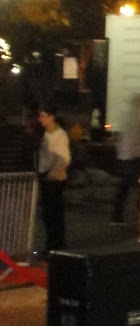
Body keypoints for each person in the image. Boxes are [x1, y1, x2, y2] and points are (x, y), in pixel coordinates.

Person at [36, 106, 71, 253]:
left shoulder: (59, 134)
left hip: (54, 179)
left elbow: (65, 158)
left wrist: (51, 174)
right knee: (50, 214)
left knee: (52, 213)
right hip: (48, 177)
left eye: (44, 116)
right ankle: (54, 243)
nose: (41, 119)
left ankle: (54, 244)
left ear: (52, 117)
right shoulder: (48, 133)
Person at [111, 94, 140, 225]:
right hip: (132, 157)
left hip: (125, 156)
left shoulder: (127, 115)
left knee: (124, 187)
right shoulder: (134, 116)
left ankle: (117, 216)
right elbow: (136, 139)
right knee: (139, 186)